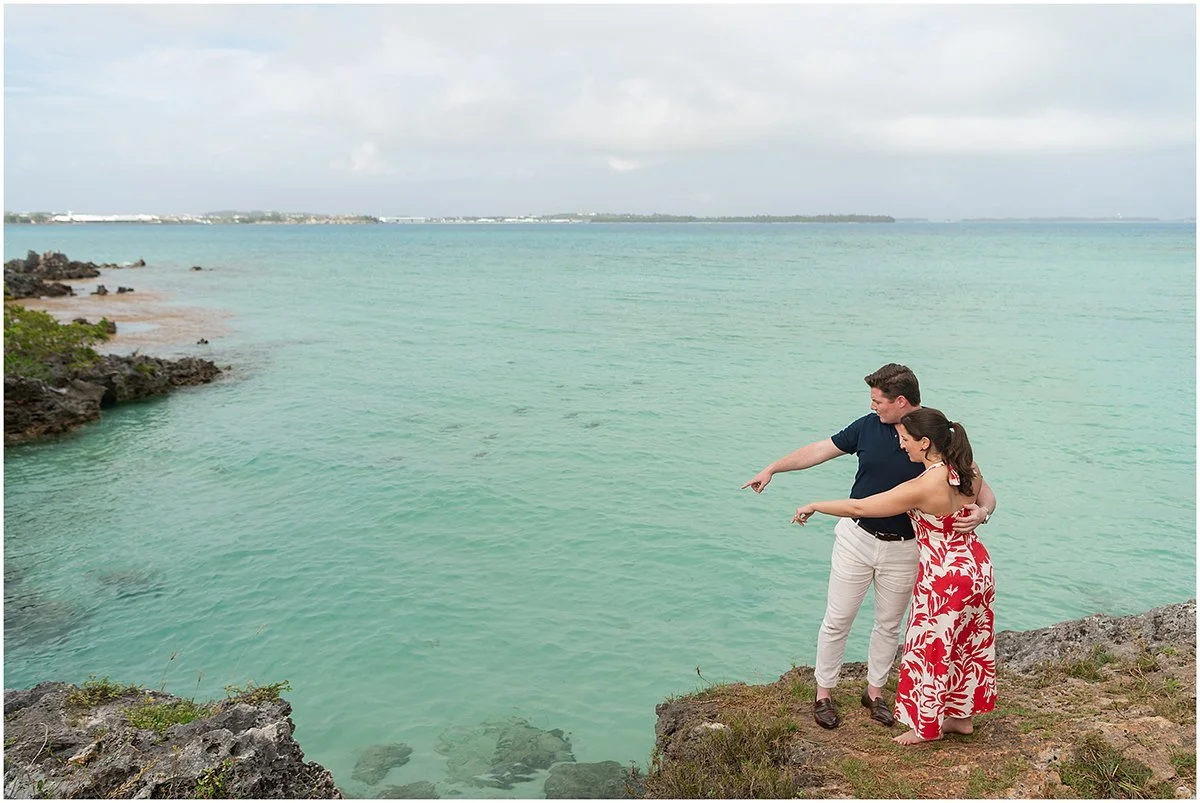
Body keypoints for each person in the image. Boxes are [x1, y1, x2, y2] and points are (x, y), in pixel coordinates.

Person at [742, 364, 996, 731]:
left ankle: (875, 693)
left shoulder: (933, 434)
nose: (873, 407)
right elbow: (820, 450)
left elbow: (979, 488)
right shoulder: (868, 426)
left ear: (901, 402)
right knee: (838, 618)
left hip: (906, 548)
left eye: (878, 401)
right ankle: (823, 694)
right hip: (857, 539)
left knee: (889, 625)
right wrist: (773, 468)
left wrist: (983, 513)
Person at [791, 406, 997, 744]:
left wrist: (815, 505)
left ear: (924, 442)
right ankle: (960, 719)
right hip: (977, 568)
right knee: (965, 646)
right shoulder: (967, 468)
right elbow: (987, 497)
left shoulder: (925, 485)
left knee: (931, 648)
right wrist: (984, 512)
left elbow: (860, 507)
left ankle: (925, 728)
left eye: (905, 440)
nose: (902, 445)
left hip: (943, 577)